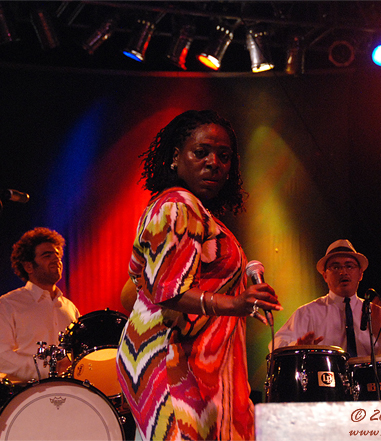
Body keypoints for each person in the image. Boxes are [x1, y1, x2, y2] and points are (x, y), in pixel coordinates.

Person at [117, 110, 282, 441]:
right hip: (172, 359)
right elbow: (166, 291)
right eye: (201, 152)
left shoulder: (197, 212)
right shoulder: (176, 204)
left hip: (198, 363)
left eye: (224, 156)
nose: (214, 163)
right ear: (176, 158)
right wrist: (235, 303)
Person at [274, 239, 381, 367]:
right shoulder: (308, 312)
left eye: (349, 266)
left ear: (360, 274)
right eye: (335, 267)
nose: (343, 272)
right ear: (325, 276)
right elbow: (276, 346)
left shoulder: (376, 313)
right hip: (325, 388)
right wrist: (296, 348)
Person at [0, 227, 80, 384]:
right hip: (22, 396)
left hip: (64, 393)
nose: (56, 259)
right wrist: (49, 370)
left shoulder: (70, 308)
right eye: (47, 255)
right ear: (28, 266)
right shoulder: (8, 304)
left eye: (57, 254)